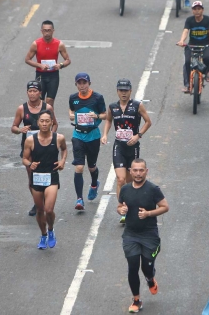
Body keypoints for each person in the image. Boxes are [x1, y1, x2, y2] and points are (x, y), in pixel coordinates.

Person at [117, 159, 169, 313]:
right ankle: (136, 300)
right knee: (132, 266)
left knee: (146, 267)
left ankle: (150, 278)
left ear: (146, 171)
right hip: (130, 235)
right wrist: (120, 210)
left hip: (149, 235)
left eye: (141, 170)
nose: (138, 173)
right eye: (135, 170)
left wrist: (148, 214)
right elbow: (120, 206)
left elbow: (165, 207)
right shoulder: (125, 189)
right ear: (130, 171)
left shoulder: (153, 189)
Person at [101, 78, 152, 224]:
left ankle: (129, 207)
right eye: (121, 90)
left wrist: (138, 135)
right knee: (121, 179)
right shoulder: (112, 107)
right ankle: (122, 208)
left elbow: (148, 122)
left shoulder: (137, 106)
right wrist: (105, 134)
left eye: (126, 90)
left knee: (130, 182)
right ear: (117, 91)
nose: (123, 93)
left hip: (133, 147)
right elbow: (109, 120)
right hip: (119, 146)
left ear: (130, 91)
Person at [11, 81, 58, 217]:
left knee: (46, 172)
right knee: (32, 176)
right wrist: (20, 129)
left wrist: (51, 137)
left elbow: (55, 124)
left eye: (35, 91)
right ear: (27, 92)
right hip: (29, 147)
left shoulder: (47, 107)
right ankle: (37, 203)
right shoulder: (22, 109)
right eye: (30, 91)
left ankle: (46, 199)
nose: (32, 94)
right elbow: (13, 127)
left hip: (45, 147)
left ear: (40, 93)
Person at [22, 110, 67, 249]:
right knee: (40, 210)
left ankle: (51, 230)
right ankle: (43, 234)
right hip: (36, 178)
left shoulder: (59, 138)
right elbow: (24, 159)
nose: (45, 123)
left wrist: (62, 161)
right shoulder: (30, 140)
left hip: (51, 177)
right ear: (38, 122)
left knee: (48, 210)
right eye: (42, 121)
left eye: (47, 121)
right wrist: (30, 164)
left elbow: (64, 150)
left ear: (52, 122)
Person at [68, 73, 107, 210]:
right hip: (78, 135)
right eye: (79, 83)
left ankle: (94, 184)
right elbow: (71, 110)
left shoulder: (97, 98)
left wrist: (96, 115)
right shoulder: (73, 98)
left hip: (93, 136)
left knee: (91, 166)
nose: (82, 85)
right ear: (76, 84)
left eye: (84, 82)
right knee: (79, 167)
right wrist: (71, 115)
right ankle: (79, 199)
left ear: (89, 83)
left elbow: (105, 114)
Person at [24, 20, 71, 107]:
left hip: (53, 75)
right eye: (45, 30)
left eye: (49, 30)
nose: (47, 33)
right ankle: (39, 119)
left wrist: (60, 65)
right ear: (41, 31)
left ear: (53, 31)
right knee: (39, 101)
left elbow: (68, 60)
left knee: (50, 101)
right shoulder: (36, 44)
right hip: (40, 75)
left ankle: (49, 120)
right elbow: (27, 59)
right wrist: (39, 65)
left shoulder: (59, 44)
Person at [177, 1, 209, 92]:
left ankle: (206, 72)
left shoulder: (208, 20)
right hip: (191, 45)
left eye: (199, 9)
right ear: (192, 11)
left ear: (202, 10)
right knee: (187, 62)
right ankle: (187, 85)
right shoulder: (189, 20)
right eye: (195, 9)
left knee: (208, 58)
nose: (197, 11)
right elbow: (185, 31)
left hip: (205, 45)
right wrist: (181, 41)